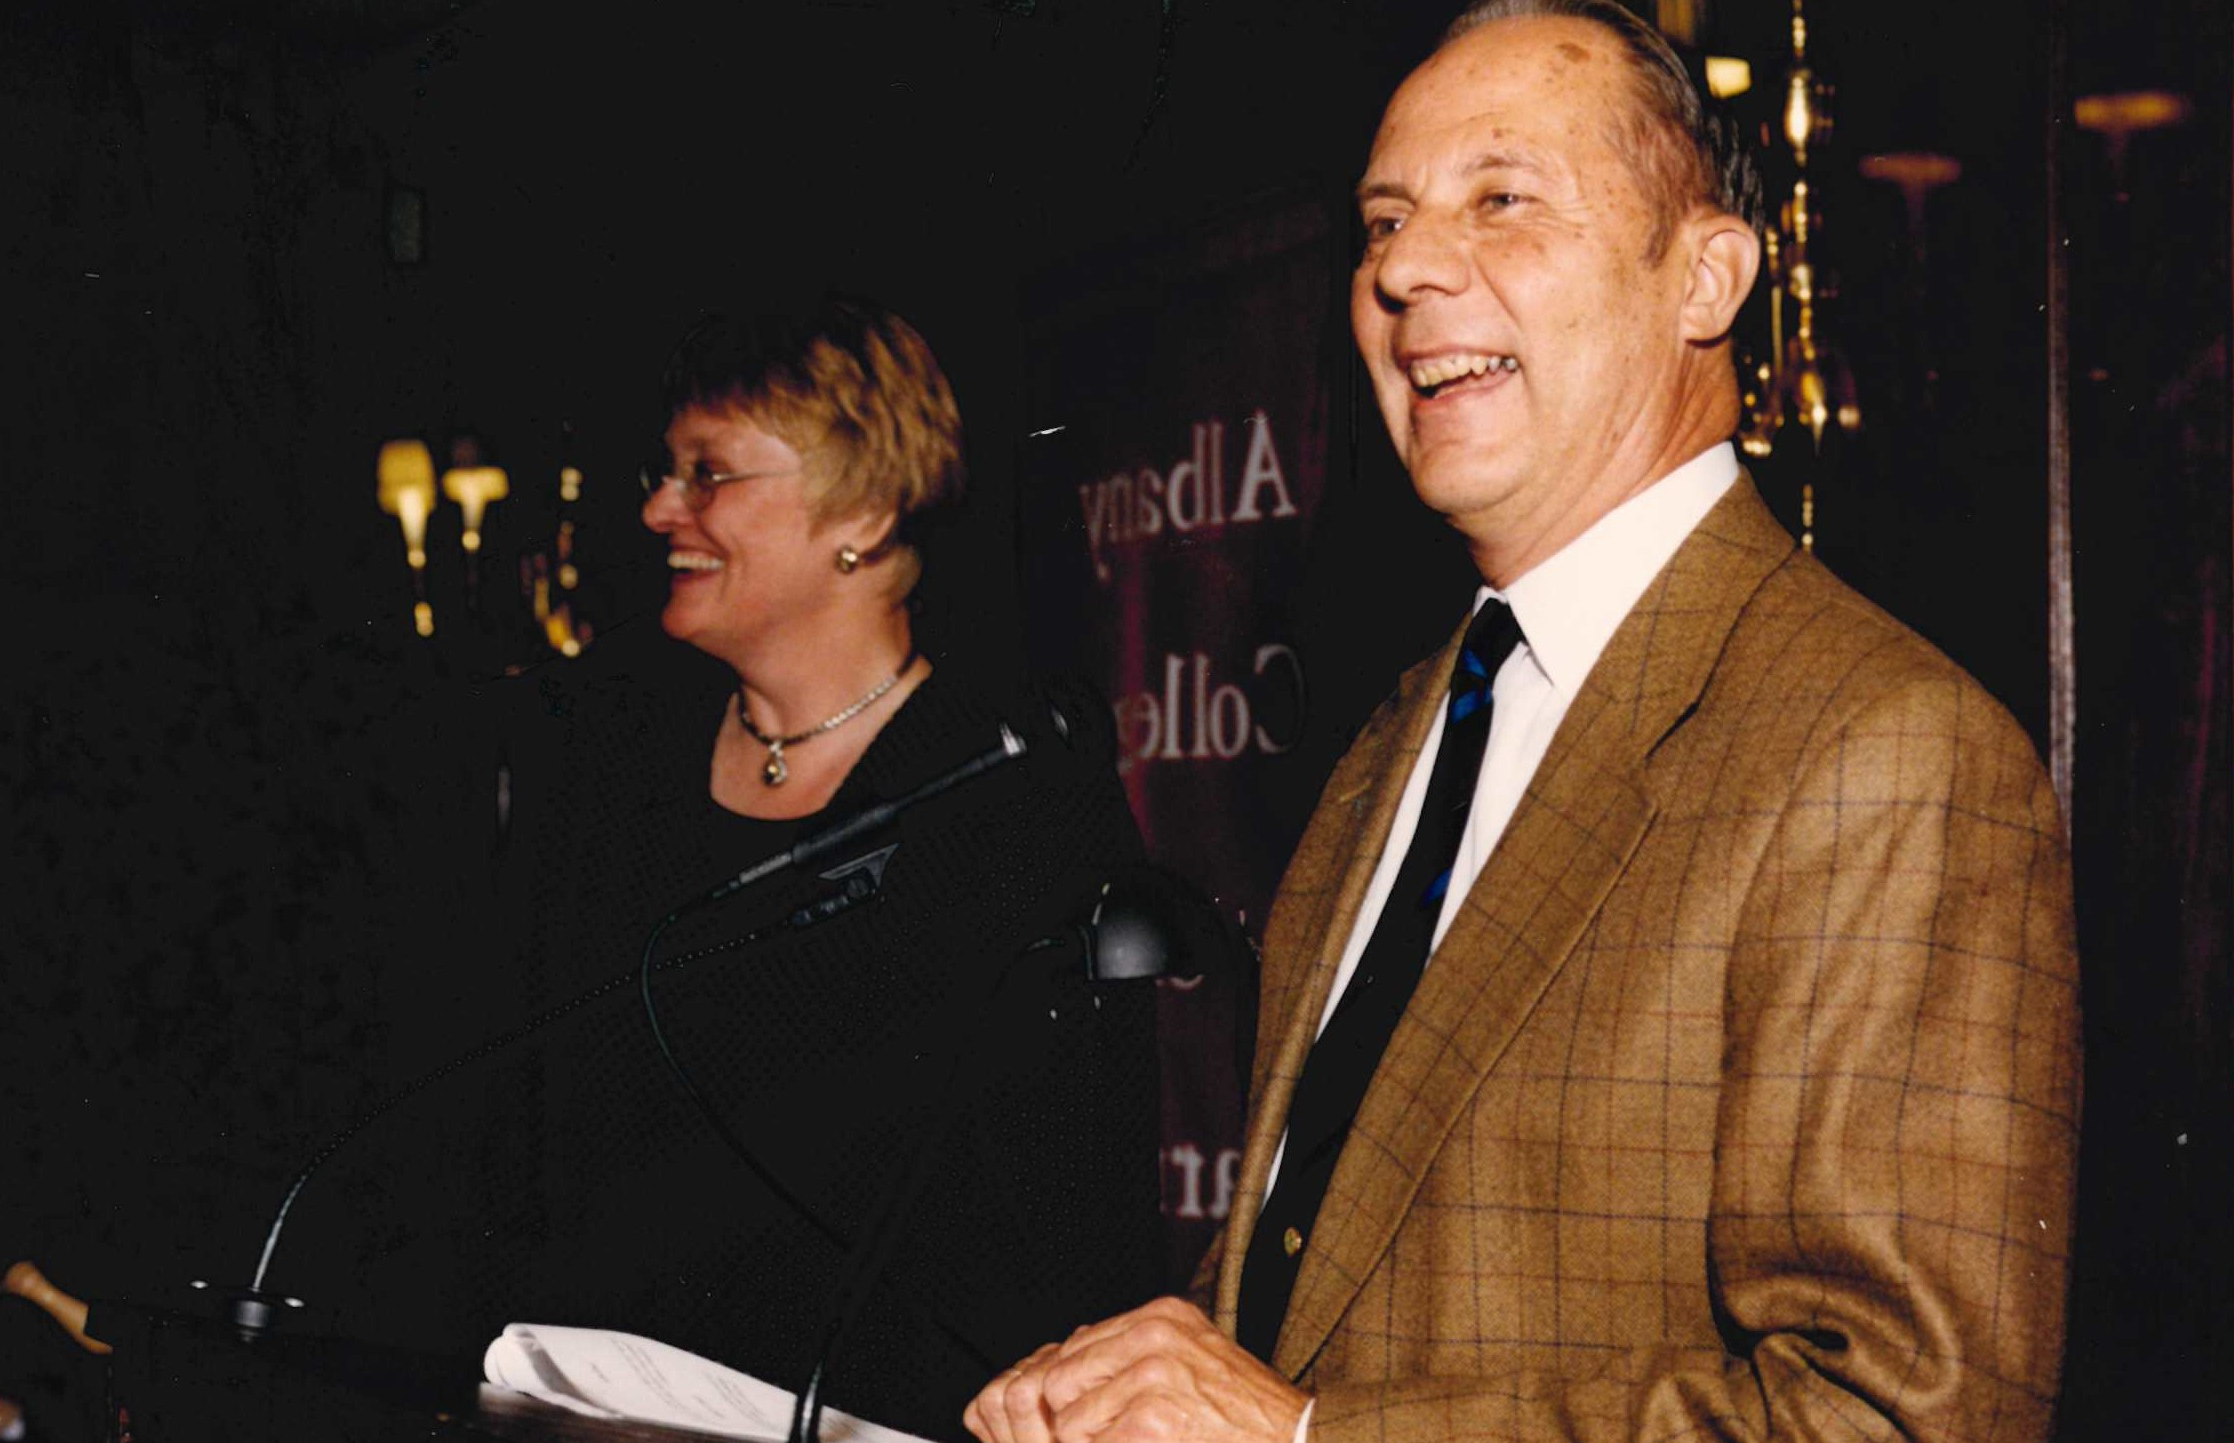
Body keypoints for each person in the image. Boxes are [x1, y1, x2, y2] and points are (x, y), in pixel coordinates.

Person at [964, 5, 2081, 1443]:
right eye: (1381, 223)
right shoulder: (1392, 746)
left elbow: (1898, 1416)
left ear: (1703, 277)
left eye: (1501, 199)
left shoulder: (1884, 753)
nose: (1403, 269)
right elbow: (1337, 1285)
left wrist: (1303, 1437)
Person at [362, 295, 1165, 1441]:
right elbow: (509, 1147)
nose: (657, 509)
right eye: (664, 470)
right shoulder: (605, 771)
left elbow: (1073, 1222)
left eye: (708, 475)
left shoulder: (1010, 795)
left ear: (867, 511)